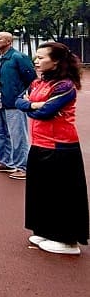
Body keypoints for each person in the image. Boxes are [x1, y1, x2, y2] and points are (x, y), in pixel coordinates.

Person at [15, 42, 88, 255]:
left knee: (61, 194)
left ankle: (67, 241)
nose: (36, 61)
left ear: (55, 61)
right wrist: (33, 105)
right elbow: (18, 101)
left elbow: (45, 112)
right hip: (39, 143)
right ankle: (46, 231)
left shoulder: (65, 86)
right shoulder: (38, 83)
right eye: (35, 57)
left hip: (61, 146)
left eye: (41, 57)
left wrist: (33, 106)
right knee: (41, 191)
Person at [0, 31, 37, 180]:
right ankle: (5, 162)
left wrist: (23, 97)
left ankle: (23, 166)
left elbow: (32, 79)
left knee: (18, 135)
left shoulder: (18, 57)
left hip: (13, 103)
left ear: (9, 41)